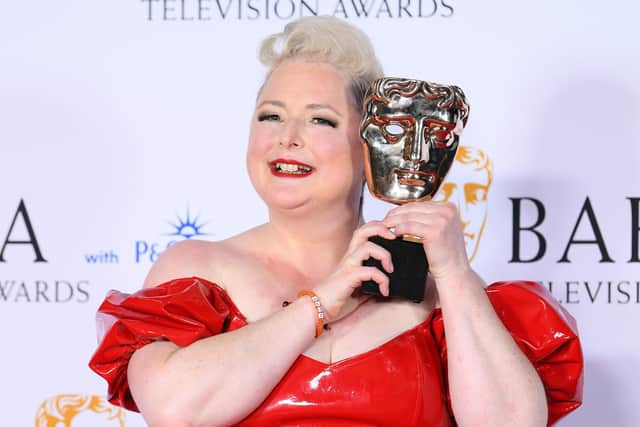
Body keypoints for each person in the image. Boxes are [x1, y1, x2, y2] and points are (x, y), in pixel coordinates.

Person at [89, 16, 583, 427]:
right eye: (270, 116)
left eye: (320, 120)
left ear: (370, 145)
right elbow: (176, 410)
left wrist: (453, 276)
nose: (288, 137)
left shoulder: (440, 290)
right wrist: (321, 303)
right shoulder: (197, 270)